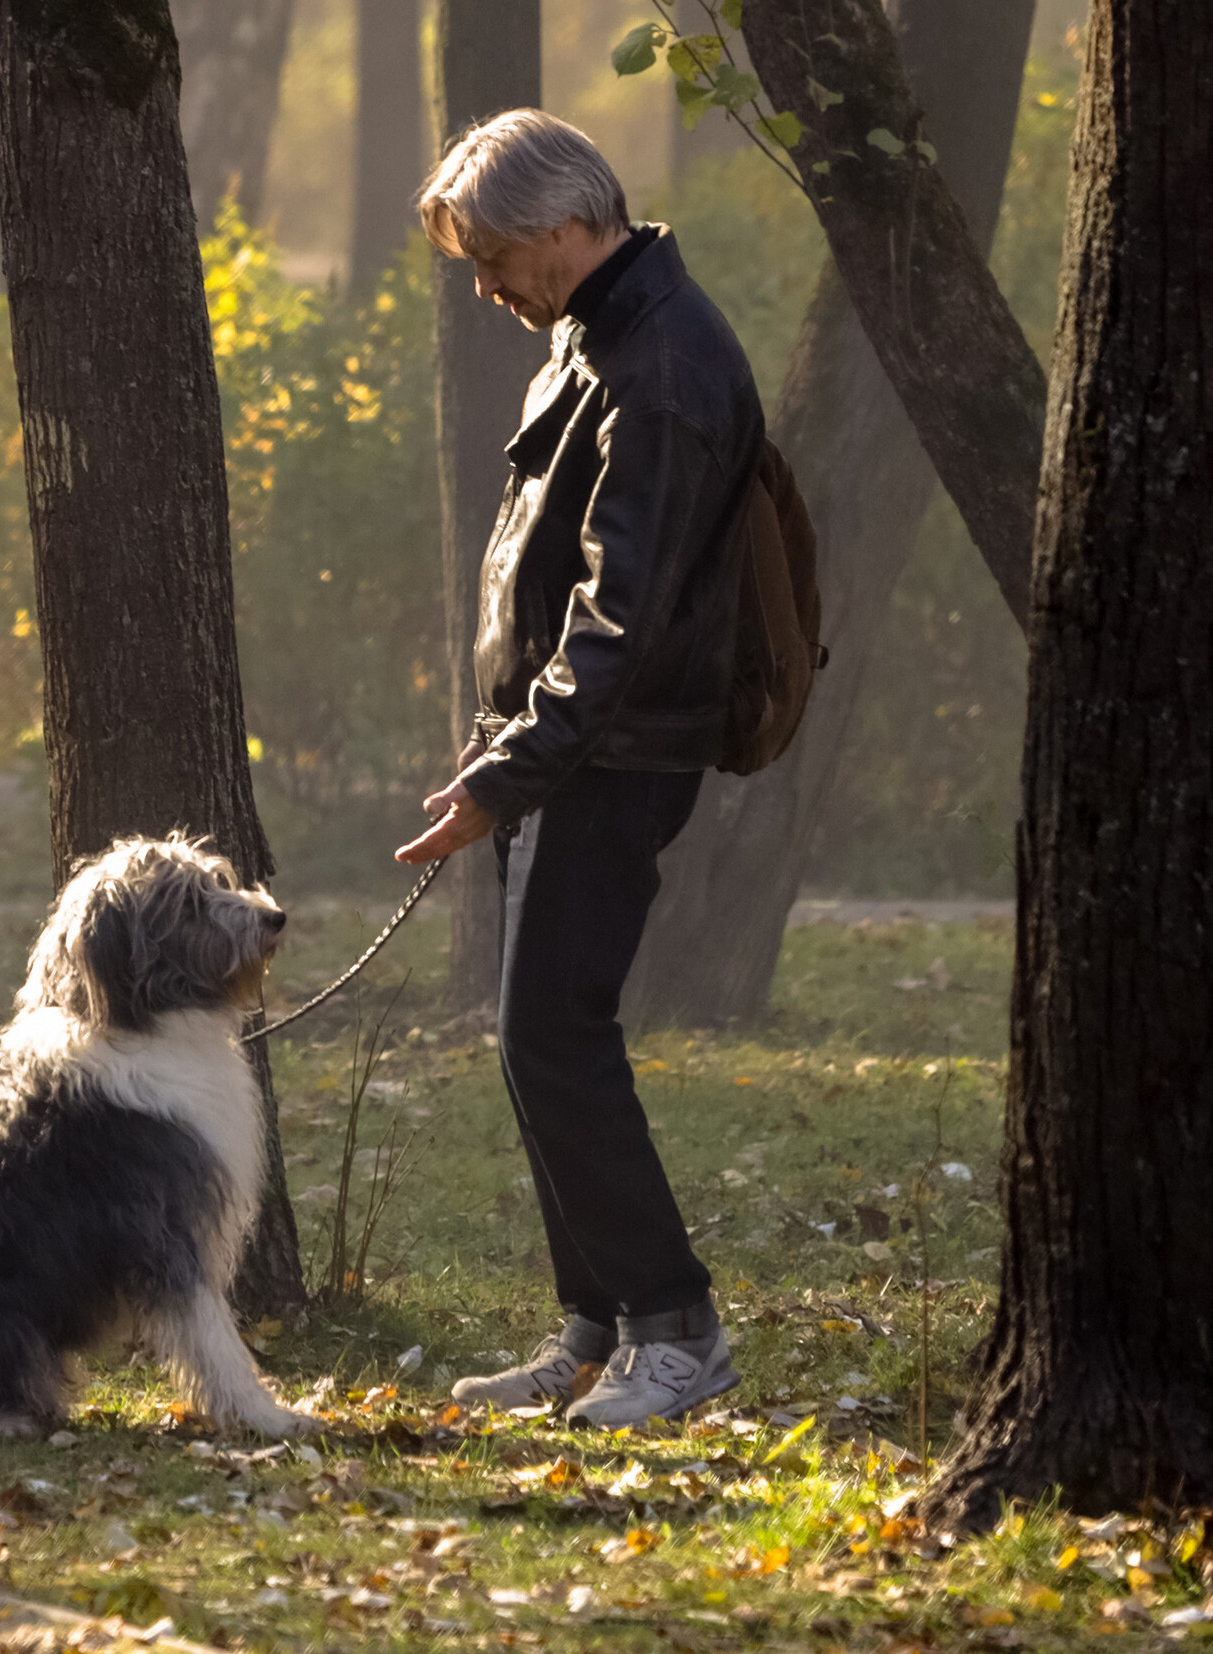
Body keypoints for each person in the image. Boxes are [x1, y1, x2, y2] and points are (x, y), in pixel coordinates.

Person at [395, 109, 760, 1429]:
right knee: (535, 1037)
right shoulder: (597, 332)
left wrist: (512, 767)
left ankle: (676, 1328)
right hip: (563, 747)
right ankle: (598, 1331)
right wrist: (507, 753)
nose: (490, 291)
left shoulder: (662, 364)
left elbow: (623, 616)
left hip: (614, 749)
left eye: (498, 261)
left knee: (557, 1034)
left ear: (567, 225)